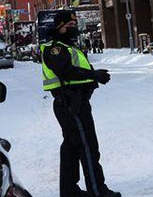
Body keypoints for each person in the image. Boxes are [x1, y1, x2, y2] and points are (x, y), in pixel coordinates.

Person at [41, 12, 121, 197]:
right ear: (59, 26)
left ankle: (69, 190)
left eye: (75, 23)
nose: (73, 27)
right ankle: (97, 191)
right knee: (87, 147)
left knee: (71, 148)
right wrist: (94, 76)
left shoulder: (68, 47)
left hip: (75, 102)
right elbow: (67, 72)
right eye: (69, 24)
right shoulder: (55, 49)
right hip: (70, 103)